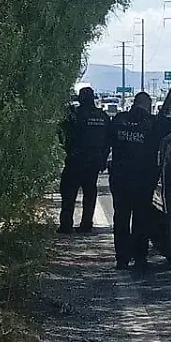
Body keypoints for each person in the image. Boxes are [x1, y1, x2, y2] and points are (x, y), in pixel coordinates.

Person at [105, 92, 171, 270]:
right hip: (143, 179)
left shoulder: (118, 120)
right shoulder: (154, 123)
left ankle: (122, 259)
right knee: (141, 218)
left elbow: (106, 142)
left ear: (134, 103)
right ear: (147, 106)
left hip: (120, 178)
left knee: (121, 217)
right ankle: (140, 257)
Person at [59, 87, 109, 233]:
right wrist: (103, 159)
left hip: (76, 160)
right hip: (94, 161)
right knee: (89, 193)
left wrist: (68, 150)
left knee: (68, 192)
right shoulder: (103, 116)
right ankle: (86, 224)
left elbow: (63, 134)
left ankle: (66, 225)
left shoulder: (75, 115)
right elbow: (108, 141)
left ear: (81, 99)